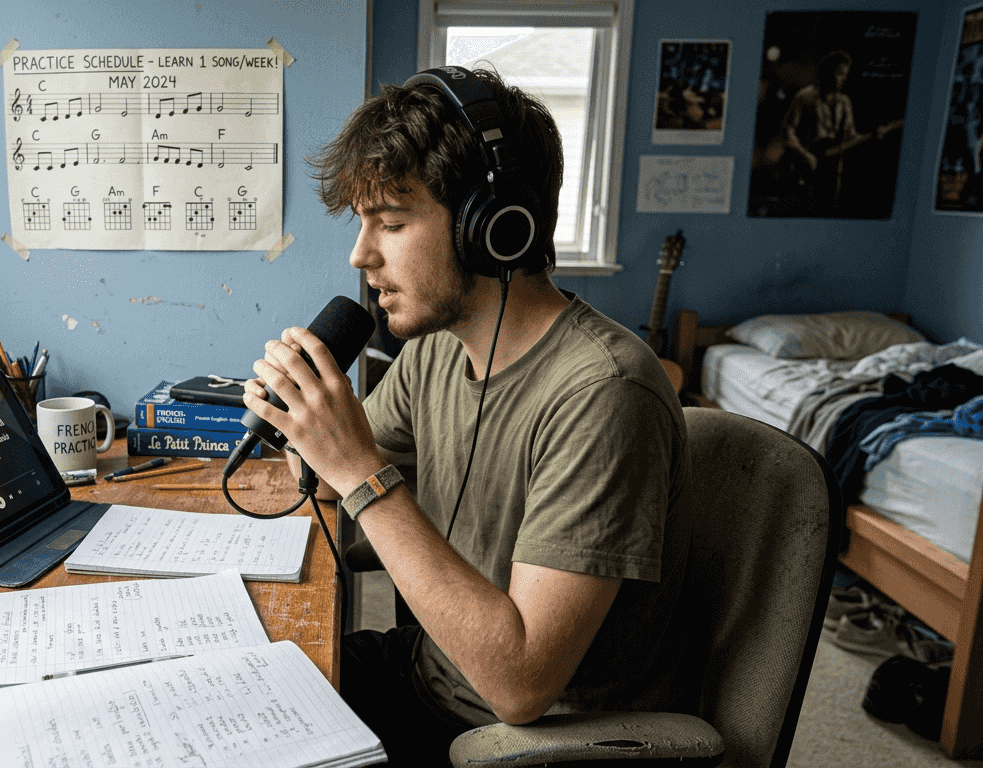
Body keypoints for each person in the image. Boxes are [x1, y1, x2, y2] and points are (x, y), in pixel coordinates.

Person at [241, 68, 694, 763]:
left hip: (520, 743)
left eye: (391, 223)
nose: (361, 256)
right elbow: (332, 484)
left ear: (496, 226)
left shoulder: (604, 394)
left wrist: (360, 469)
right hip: (428, 671)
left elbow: (521, 683)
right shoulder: (435, 354)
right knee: (233, 686)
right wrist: (307, 423)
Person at [781, 50, 891, 212]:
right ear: (827, 72)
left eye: (845, 74)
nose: (844, 78)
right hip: (805, 171)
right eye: (839, 73)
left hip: (832, 173)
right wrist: (805, 155)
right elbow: (788, 132)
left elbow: (851, 137)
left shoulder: (845, 102)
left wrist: (872, 136)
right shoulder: (805, 96)